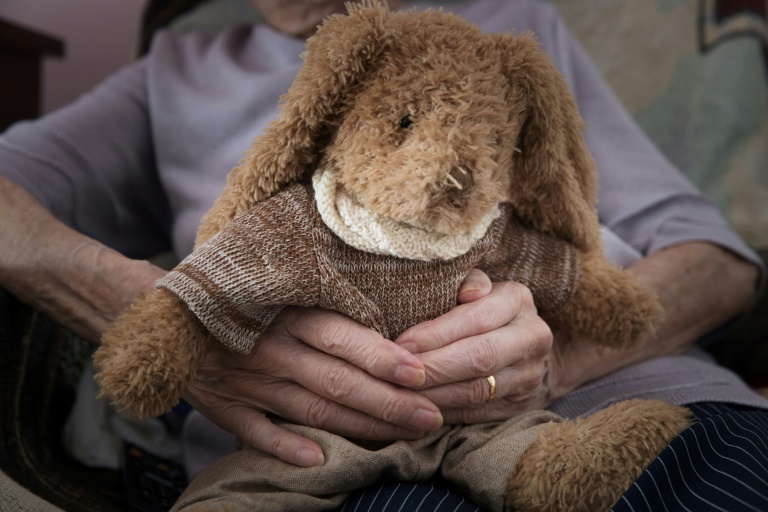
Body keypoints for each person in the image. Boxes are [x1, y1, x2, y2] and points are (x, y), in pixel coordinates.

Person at [0, 0, 765, 510]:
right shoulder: (178, 70)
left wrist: (560, 357)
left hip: (635, 407)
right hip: (322, 468)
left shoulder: (512, 26)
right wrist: (168, 310)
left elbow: (717, 259)